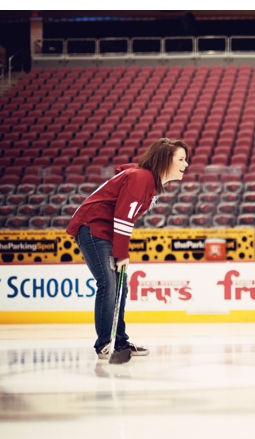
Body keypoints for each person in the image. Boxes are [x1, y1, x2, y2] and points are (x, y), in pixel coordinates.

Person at [66, 138, 189, 359]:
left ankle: (119, 340)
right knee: (109, 283)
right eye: (181, 159)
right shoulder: (142, 178)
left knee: (120, 286)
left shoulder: (146, 178)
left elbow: (122, 177)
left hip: (105, 231)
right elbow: (124, 217)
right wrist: (122, 254)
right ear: (164, 160)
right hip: (93, 228)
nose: (185, 164)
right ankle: (105, 344)